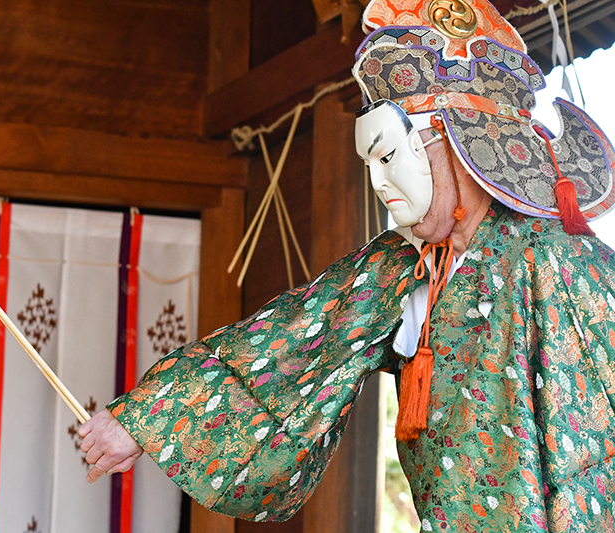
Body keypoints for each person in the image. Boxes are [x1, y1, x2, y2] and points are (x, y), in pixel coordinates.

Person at [81, 0, 615, 530]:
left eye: (389, 156)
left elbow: (592, 460)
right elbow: (291, 345)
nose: (379, 184)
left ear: (454, 141)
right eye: (369, 164)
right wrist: (149, 420)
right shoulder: (402, 266)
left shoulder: (565, 263)